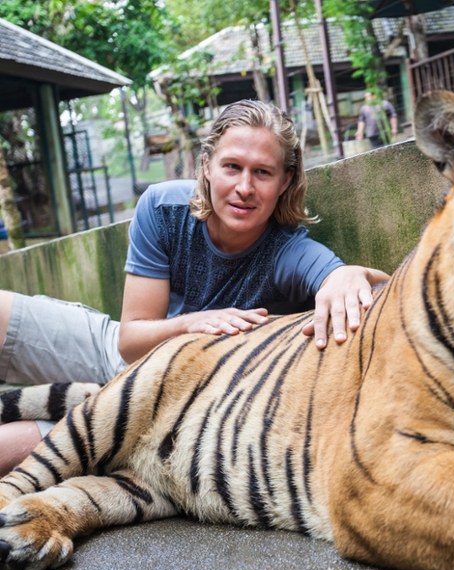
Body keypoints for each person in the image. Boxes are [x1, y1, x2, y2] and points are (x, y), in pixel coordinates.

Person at [0, 99, 389, 474]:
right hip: (126, 351)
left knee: (10, 449)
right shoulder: (163, 208)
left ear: (285, 180)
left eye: (263, 173)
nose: (245, 187)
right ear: (206, 165)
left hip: (162, 410)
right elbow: (130, 339)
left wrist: (348, 274)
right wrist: (193, 323)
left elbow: (344, 281)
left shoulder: (288, 251)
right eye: (232, 166)